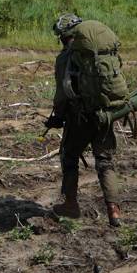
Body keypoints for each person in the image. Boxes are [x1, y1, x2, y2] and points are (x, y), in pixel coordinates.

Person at [47, 13, 124, 227]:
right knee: (105, 162)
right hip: (105, 115)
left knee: (69, 157)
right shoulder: (99, 53)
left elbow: (62, 94)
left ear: (63, 36)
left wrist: (57, 117)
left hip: (80, 118)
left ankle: (71, 204)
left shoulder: (65, 58)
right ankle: (114, 210)